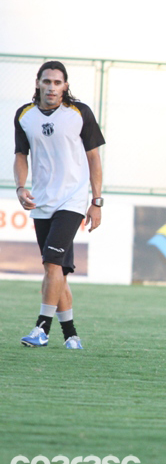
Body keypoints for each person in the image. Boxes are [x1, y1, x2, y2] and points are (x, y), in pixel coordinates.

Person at [14, 60, 105, 350]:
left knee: (51, 263)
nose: (51, 87)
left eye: (57, 82)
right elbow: (20, 155)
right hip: (42, 202)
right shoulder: (24, 116)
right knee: (58, 272)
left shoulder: (80, 113)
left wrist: (96, 201)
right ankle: (71, 335)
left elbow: (94, 159)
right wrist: (20, 187)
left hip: (73, 200)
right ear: (38, 83)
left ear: (65, 86)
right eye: (47, 81)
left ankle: (42, 329)